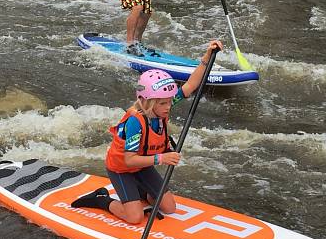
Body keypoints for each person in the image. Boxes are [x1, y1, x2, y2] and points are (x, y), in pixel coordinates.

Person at [71, 40, 223, 224]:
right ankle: (101, 199)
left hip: (142, 166)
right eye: (163, 103)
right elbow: (129, 160)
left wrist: (206, 58)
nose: (169, 106)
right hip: (122, 169)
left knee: (169, 207)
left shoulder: (160, 105)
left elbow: (190, 86)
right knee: (134, 218)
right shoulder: (135, 122)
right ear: (146, 102)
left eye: (169, 101)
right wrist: (162, 158)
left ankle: (140, 192)